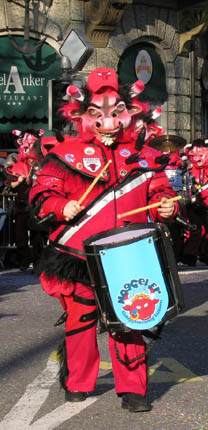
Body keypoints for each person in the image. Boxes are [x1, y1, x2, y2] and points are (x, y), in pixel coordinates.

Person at [29, 68, 177, 412]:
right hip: (78, 254)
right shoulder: (65, 153)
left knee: (129, 319)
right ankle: (78, 382)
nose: (108, 122)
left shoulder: (145, 156)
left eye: (116, 112)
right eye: (97, 114)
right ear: (82, 115)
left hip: (128, 254)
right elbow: (41, 194)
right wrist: (60, 206)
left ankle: (133, 390)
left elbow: (161, 191)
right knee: (81, 320)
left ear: (129, 113)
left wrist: (167, 205)